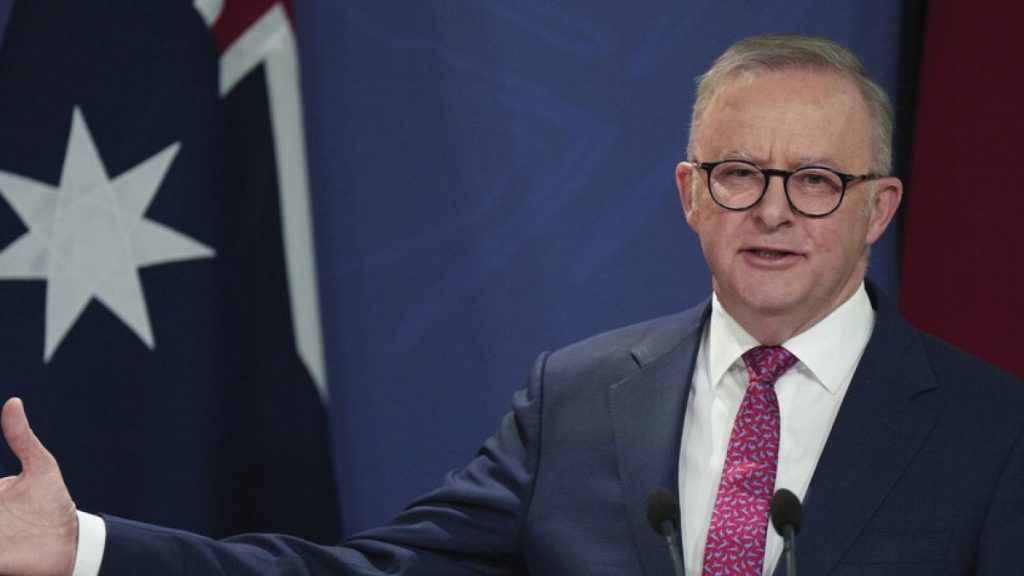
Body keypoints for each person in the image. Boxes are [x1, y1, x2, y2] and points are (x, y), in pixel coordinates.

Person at [1, 33, 1022, 576]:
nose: (772, 211)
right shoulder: (578, 402)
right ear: (687, 194)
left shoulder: (992, 432)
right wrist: (86, 547)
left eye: (815, 181)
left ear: (877, 206)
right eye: (738, 173)